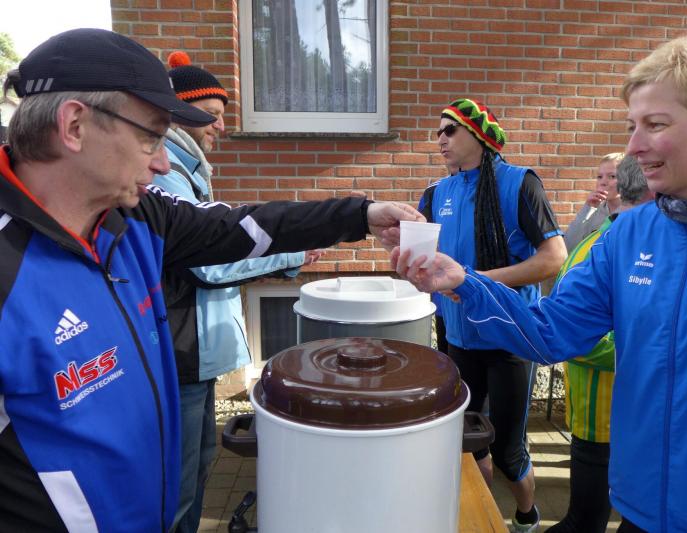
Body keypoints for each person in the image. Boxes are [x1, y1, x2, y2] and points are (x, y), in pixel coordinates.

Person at [0, 28, 421, 532]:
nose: (162, 161)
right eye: (151, 136)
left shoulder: (137, 216)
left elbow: (241, 227)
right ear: (74, 126)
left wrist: (361, 214)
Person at [395, 35, 687, 533]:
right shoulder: (628, 234)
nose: (634, 146)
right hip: (641, 507)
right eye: (632, 126)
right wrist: (464, 282)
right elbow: (551, 331)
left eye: (655, 124)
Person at [154, 51, 317, 533]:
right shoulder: (168, 175)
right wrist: (288, 255)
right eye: (213, 115)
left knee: (199, 465)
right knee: (179, 484)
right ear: (179, 111)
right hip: (181, 353)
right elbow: (209, 263)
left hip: (194, 357)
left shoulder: (188, 171)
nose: (221, 128)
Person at [418, 98, 567, 533]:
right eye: (438, 131)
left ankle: (526, 517)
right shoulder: (436, 193)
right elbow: (425, 261)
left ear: (479, 135)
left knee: (507, 450)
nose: (440, 139)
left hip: (509, 338)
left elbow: (553, 257)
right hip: (457, 336)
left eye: (450, 130)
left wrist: (476, 282)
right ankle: (483, 522)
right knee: (469, 440)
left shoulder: (520, 183)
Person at [547, 155, 654, 533]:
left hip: (622, 417)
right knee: (587, 520)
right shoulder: (602, 241)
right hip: (597, 413)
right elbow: (567, 328)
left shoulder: (634, 240)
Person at [563, 152, 624, 251]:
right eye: (600, 177)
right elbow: (568, 247)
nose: (603, 182)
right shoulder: (594, 212)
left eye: (612, 176)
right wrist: (587, 208)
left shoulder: (635, 212)